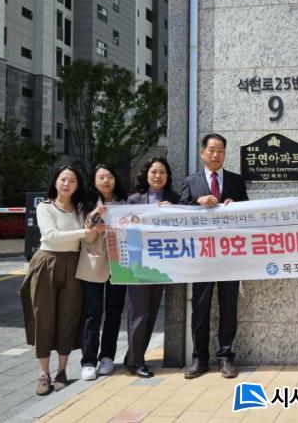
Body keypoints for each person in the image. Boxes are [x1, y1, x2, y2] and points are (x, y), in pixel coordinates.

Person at [20, 165, 100, 395]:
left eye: (72, 181)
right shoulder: (45, 207)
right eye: (63, 179)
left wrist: (93, 227)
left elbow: (89, 237)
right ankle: (44, 374)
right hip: (47, 262)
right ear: (55, 182)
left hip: (74, 264)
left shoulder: (80, 209)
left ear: (77, 185)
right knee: (44, 317)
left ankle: (62, 371)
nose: (67, 184)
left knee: (69, 317)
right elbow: (51, 235)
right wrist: (84, 232)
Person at [181, 134, 249, 380]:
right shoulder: (191, 181)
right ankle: (199, 358)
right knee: (200, 308)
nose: (215, 154)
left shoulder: (235, 181)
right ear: (202, 153)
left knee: (229, 307)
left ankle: (225, 357)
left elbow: (248, 212)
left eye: (220, 150)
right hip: (202, 255)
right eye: (211, 150)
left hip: (229, 255)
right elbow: (179, 212)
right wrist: (197, 201)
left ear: (225, 154)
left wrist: (235, 205)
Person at [124, 157, 180, 378]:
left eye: (162, 172)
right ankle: (136, 361)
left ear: (168, 176)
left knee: (151, 313)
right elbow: (122, 228)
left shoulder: (175, 199)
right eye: (154, 171)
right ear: (146, 175)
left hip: (160, 265)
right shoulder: (133, 200)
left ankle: (133, 356)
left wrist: (173, 211)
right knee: (138, 314)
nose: (158, 176)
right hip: (137, 264)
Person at [76, 165, 127, 381]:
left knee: (114, 312)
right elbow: (86, 238)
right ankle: (88, 361)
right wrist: (94, 218)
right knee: (92, 313)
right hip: (93, 264)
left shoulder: (124, 203)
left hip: (119, 264)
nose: (106, 180)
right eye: (101, 177)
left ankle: (107, 356)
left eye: (109, 176)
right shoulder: (86, 204)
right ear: (94, 182)